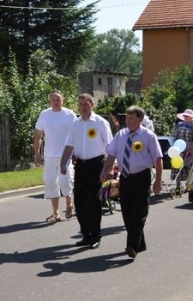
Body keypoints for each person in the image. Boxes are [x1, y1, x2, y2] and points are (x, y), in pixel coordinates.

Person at [100, 105, 163, 259]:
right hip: (125, 177)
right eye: (127, 118)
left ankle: (132, 245)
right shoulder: (121, 135)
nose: (128, 121)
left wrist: (158, 181)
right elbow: (111, 155)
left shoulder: (148, 136)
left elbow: (158, 158)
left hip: (142, 177)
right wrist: (105, 170)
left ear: (140, 119)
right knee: (127, 212)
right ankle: (139, 244)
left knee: (139, 211)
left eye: (131, 118)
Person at [60, 94, 113, 249]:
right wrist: (63, 163)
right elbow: (69, 145)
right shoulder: (75, 124)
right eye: (81, 104)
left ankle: (96, 235)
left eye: (86, 104)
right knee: (79, 201)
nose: (83, 107)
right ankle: (86, 234)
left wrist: (108, 168)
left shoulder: (101, 123)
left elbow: (110, 147)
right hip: (81, 166)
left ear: (92, 104)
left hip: (97, 165)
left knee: (93, 202)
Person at [34, 91, 76, 223]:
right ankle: (56, 213)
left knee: (65, 180)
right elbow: (38, 136)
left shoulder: (69, 114)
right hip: (50, 155)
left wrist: (76, 153)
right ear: (49, 101)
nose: (56, 102)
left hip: (66, 155)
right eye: (53, 99)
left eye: (58, 99)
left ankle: (69, 204)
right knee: (51, 183)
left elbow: (77, 134)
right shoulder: (44, 114)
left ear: (62, 100)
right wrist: (36, 154)